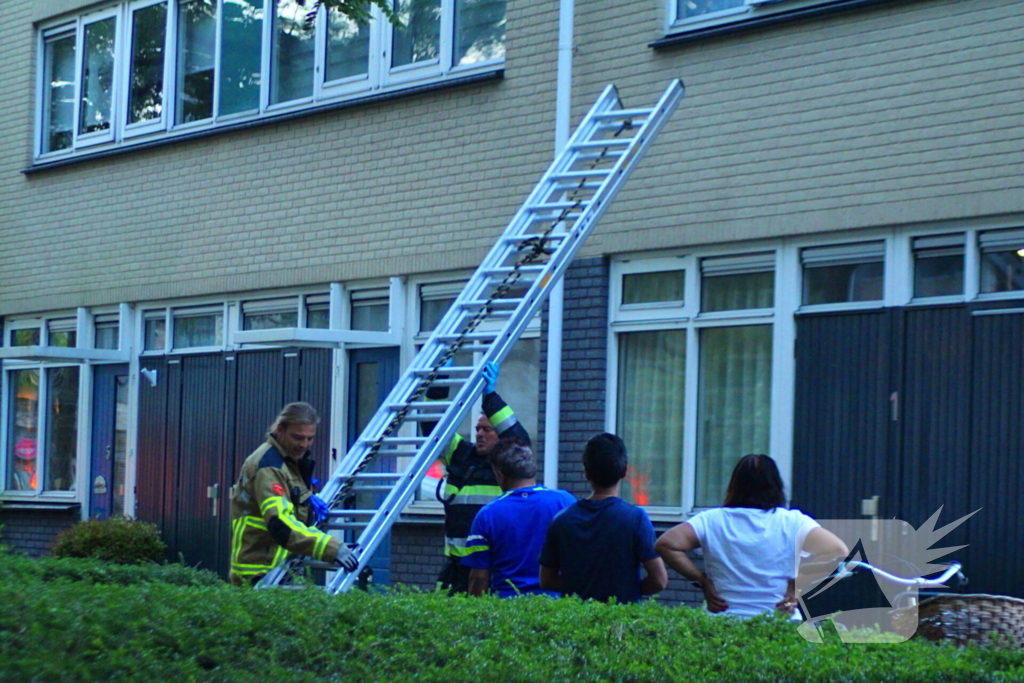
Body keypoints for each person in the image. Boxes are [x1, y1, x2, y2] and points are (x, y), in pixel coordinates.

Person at [655, 454, 848, 618]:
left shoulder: (711, 520)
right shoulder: (792, 522)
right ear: (776, 485)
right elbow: (838, 551)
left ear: (734, 485)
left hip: (722, 622)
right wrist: (797, 584)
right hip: (778, 622)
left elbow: (666, 544)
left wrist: (702, 580)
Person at [427, 361, 530, 594]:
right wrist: (440, 383)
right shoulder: (459, 455)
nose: (480, 434)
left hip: (490, 570)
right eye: (477, 430)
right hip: (455, 569)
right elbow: (433, 426)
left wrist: (490, 398)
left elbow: (519, 437)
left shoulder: (508, 463)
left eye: (487, 430)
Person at [228, 402, 357, 586]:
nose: (304, 445)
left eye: (309, 438)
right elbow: (280, 523)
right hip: (259, 574)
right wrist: (331, 548)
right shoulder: (269, 466)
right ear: (280, 429)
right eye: (298, 438)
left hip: (280, 568)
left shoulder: (289, 462)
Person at [538, 433, 667, 603]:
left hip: (575, 622)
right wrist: (630, 590)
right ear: (624, 471)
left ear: (586, 473)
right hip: (622, 623)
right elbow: (659, 580)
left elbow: (546, 580)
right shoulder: (635, 518)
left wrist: (578, 589)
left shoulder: (562, 520)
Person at [462, 440, 575, 597]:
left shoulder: (487, 515)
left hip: (506, 609)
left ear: (500, 475)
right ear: (532, 469)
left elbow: (479, 577)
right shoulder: (565, 502)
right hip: (554, 607)